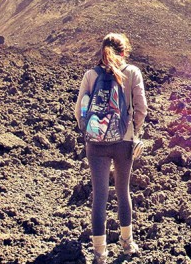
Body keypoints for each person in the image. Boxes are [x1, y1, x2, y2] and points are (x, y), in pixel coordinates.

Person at [74, 33, 148, 264]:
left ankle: (100, 254)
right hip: (123, 143)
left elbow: (79, 111)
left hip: (95, 145)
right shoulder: (133, 73)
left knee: (99, 197)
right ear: (124, 51)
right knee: (123, 191)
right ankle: (127, 245)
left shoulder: (90, 75)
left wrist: (91, 132)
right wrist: (132, 131)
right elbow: (141, 109)